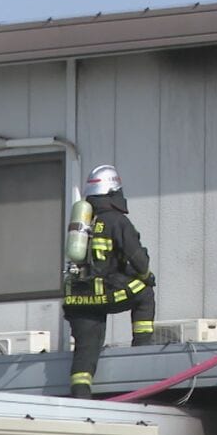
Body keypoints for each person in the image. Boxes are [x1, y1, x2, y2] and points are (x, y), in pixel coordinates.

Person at [62, 165, 156, 399]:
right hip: (107, 293)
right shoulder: (116, 221)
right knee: (145, 292)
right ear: (114, 192)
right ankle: (142, 353)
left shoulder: (83, 221)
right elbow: (138, 259)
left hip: (77, 298)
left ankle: (81, 397)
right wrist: (147, 277)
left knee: (85, 350)